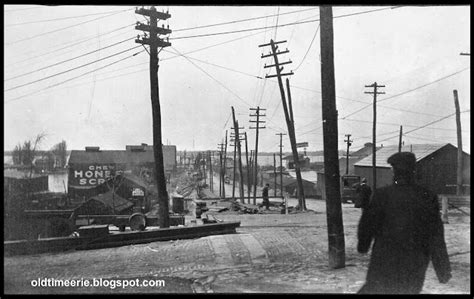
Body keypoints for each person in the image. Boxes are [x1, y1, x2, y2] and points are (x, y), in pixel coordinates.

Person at [357, 152, 451, 294]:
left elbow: (367, 224)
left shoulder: (382, 195)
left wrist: (363, 245)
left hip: (384, 260)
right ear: (414, 171)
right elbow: (436, 235)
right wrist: (442, 269)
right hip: (415, 263)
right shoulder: (427, 197)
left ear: (394, 171)